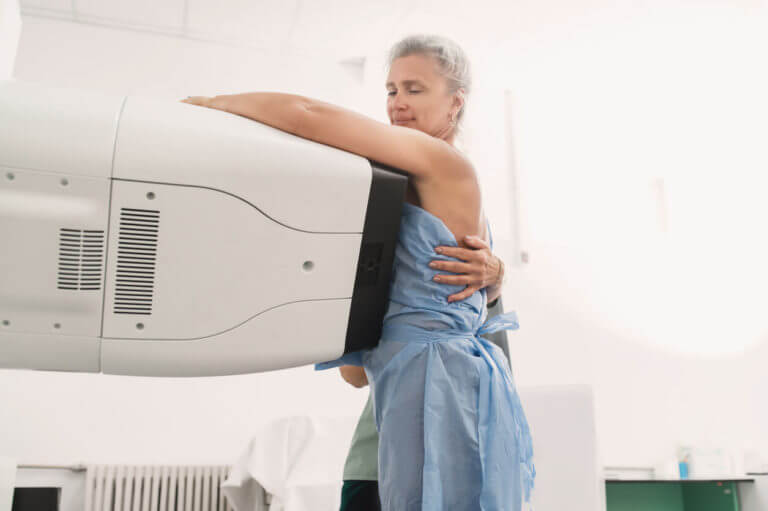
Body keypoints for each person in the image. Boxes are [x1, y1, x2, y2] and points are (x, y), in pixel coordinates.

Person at [182, 33, 534, 511]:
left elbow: (309, 115)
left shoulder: (446, 164)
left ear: (455, 103)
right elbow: (353, 375)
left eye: (414, 89)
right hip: (402, 391)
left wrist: (210, 104)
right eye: (391, 91)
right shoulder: (386, 193)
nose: (398, 104)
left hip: (444, 386)